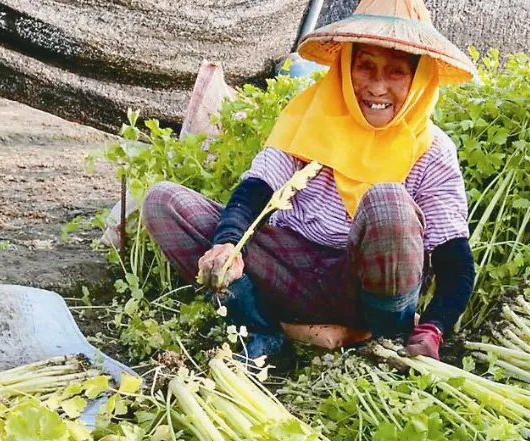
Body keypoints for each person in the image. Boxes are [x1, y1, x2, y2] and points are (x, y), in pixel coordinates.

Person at [142, 0, 478, 364]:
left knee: (388, 201)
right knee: (163, 202)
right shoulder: (311, 116)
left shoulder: (432, 149)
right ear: (346, 68)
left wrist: (433, 326)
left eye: (397, 72)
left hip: (367, 294)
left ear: (419, 79)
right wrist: (227, 244)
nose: (378, 87)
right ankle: (263, 334)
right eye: (365, 67)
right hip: (292, 274)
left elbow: (454, 259)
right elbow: (257, 189)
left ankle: (384, 339)